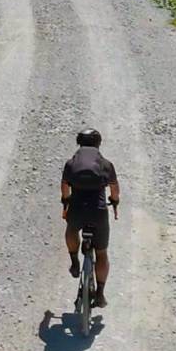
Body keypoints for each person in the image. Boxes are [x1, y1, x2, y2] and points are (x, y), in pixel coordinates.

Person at [61, 128, 119, 307]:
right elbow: (114, 189)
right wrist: (114, 201)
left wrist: (66, 202)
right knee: (101, 253)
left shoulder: (71, 164)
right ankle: (100, 294)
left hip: (77, 210)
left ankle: (74, 261)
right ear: (98, 143)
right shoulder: (106, 164)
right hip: (98, 211)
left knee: (71, 230)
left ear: (79, 143)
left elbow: (65, 187)